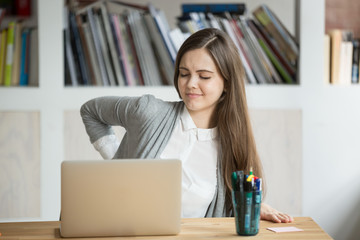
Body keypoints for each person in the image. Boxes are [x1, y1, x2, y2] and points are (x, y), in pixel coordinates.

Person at [80, 28, 293, 223]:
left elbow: (225, 214)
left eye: (204, 76)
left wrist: (250, 205)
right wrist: (117, 166)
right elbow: (90, 111)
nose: (190, 83)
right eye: (184, 73)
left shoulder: (233, 144)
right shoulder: (148, 111)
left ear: (227, 82)